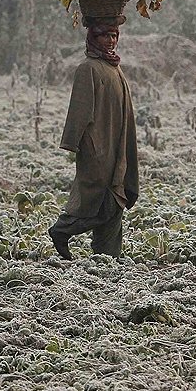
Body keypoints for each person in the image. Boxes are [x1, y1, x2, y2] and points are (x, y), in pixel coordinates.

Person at [49, 16, 139, 259]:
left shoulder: (114, 68)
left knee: (117, 199)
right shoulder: (87, 69)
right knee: (102, 200)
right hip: (97, 148)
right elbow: (79, 109)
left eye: (114, 36)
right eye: (104, 36)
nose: (110, 41)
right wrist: (74, 143)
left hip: (117, 146)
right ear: (93, 38)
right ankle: (62, 230)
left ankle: (109, 257)